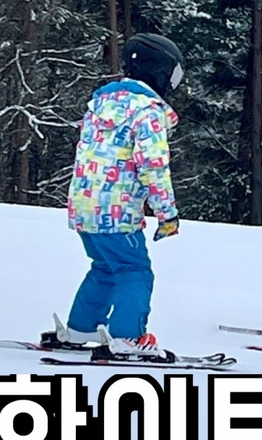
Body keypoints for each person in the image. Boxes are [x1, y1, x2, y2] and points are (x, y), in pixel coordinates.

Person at [51, 33, 184, 359]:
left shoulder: (99, 106)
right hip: (117, 211)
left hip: (84, 207)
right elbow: (153, 166)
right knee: (134, 270)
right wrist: (167, 212)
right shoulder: (147, 112)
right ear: (160, 71)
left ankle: (81, 328)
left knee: (105, 267)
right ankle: (128, 336)